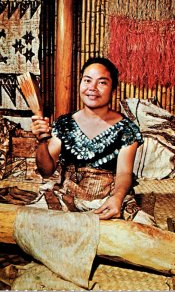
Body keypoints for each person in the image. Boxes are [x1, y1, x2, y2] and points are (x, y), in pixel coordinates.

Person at [31, 57, 155, 225]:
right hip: (67, 197)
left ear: (114, 89)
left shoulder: (126, 129)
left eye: (102, 82)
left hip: (108, 199)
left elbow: (124, 174)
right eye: (87, 80)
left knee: (143, 233)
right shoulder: (64, 124)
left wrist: (117, 199)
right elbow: (46, 171)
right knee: (32, 223)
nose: (92, 88)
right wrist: (41, 142)